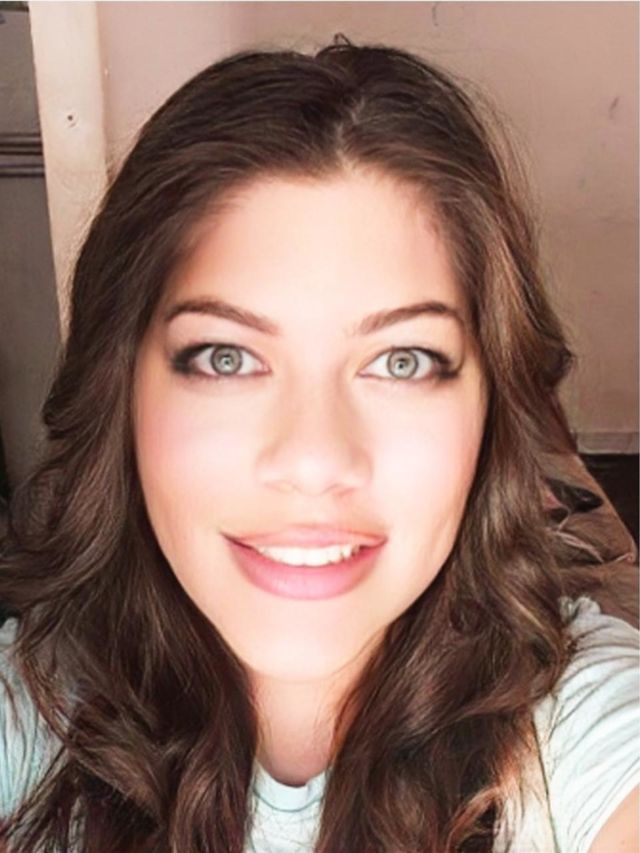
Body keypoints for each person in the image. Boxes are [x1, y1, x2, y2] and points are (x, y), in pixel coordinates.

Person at [0, 36, 637, 853]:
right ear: (121, 391)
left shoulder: (585, 727)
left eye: (402, 361)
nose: (313, 459)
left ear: (492, 405)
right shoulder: (32, 714)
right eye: (225, 357)